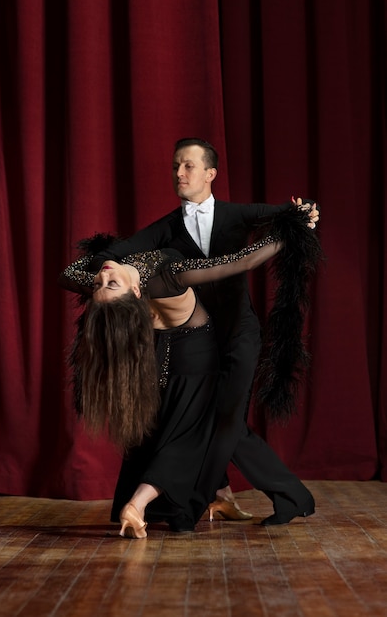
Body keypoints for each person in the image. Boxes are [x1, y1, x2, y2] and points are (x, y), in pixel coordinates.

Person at [83, 137, 321, 528]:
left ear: (210, 173)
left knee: (227, 422)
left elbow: (287, 215)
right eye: (176, 166)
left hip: (239, 332)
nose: (179, 173)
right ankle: (249, 496)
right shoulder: (166, 228)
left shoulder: (236, 215)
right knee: (219, 423)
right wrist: (103, 274)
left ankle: (213, 500)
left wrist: (303, 217)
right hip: (197, 341)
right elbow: (114, 254)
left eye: (188, 166)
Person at [60, 236, 285, 538]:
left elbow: (68, 274)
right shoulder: (169, 276)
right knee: (192, 432)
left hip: (175, 349)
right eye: (108, 284)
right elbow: (240, 262)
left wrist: (103, 267)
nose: (102, 277)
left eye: (101, 284)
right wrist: (291, 230)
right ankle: (138, 504)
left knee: (187, 428)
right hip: (196, 354)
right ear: (138, 292)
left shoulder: (114, 278)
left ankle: (221, 497)